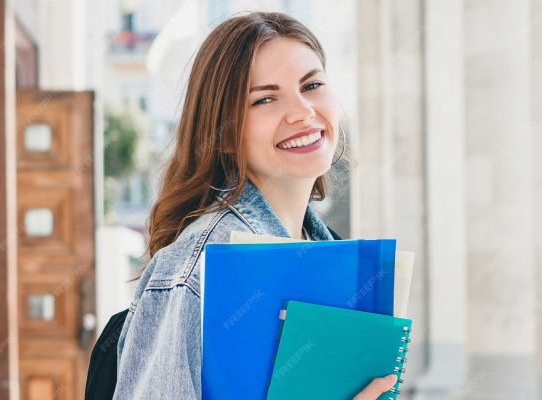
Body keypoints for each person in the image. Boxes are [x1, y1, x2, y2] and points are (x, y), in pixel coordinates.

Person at [113, 11, 399, 399]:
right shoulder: (201, 267)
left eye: (312, 85)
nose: (302, 111)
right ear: (224, 134)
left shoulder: (328, 251)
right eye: (264, 99)